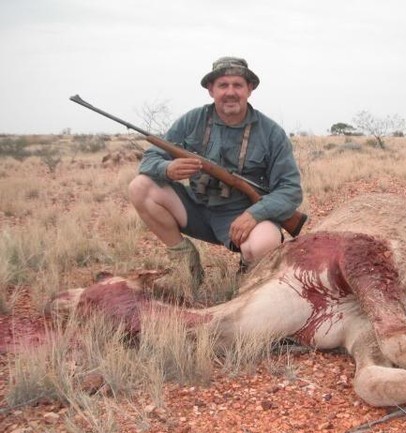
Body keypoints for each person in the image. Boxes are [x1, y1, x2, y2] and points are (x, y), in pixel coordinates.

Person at [128, 57, 303, 298]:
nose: (230, 92)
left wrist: (255, 214)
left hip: (241, 218)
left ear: (249, 89)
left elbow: (290, 190)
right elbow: (150, 160)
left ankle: (248, 272)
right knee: (140, 187)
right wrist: (168, 168)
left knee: (266, 243)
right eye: (223, 85)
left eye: (237, 85)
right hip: (196, 208)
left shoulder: (271, 132)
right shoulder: (193, 120)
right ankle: (186, 261)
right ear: (211, 90)